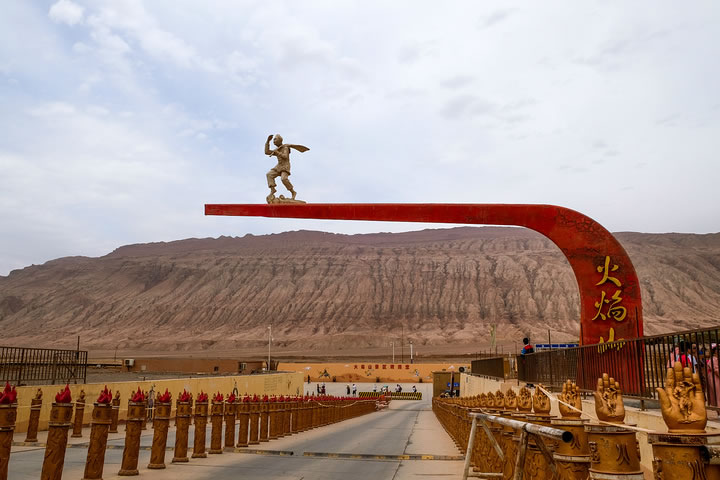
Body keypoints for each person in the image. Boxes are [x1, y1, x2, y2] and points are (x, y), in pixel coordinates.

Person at [264, 134, 309, 202]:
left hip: (285, 166)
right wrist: (268, 141)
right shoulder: (277, 149)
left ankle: (293, 192)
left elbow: (285, 156)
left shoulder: (285, 148)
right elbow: (267, 152)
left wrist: (277, 152)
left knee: (284, 179)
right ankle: (273, 189)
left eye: (275, 139)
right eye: (273, 140)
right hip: (278, 166)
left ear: (279, 140)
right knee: (269, 174)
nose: (274, 141)